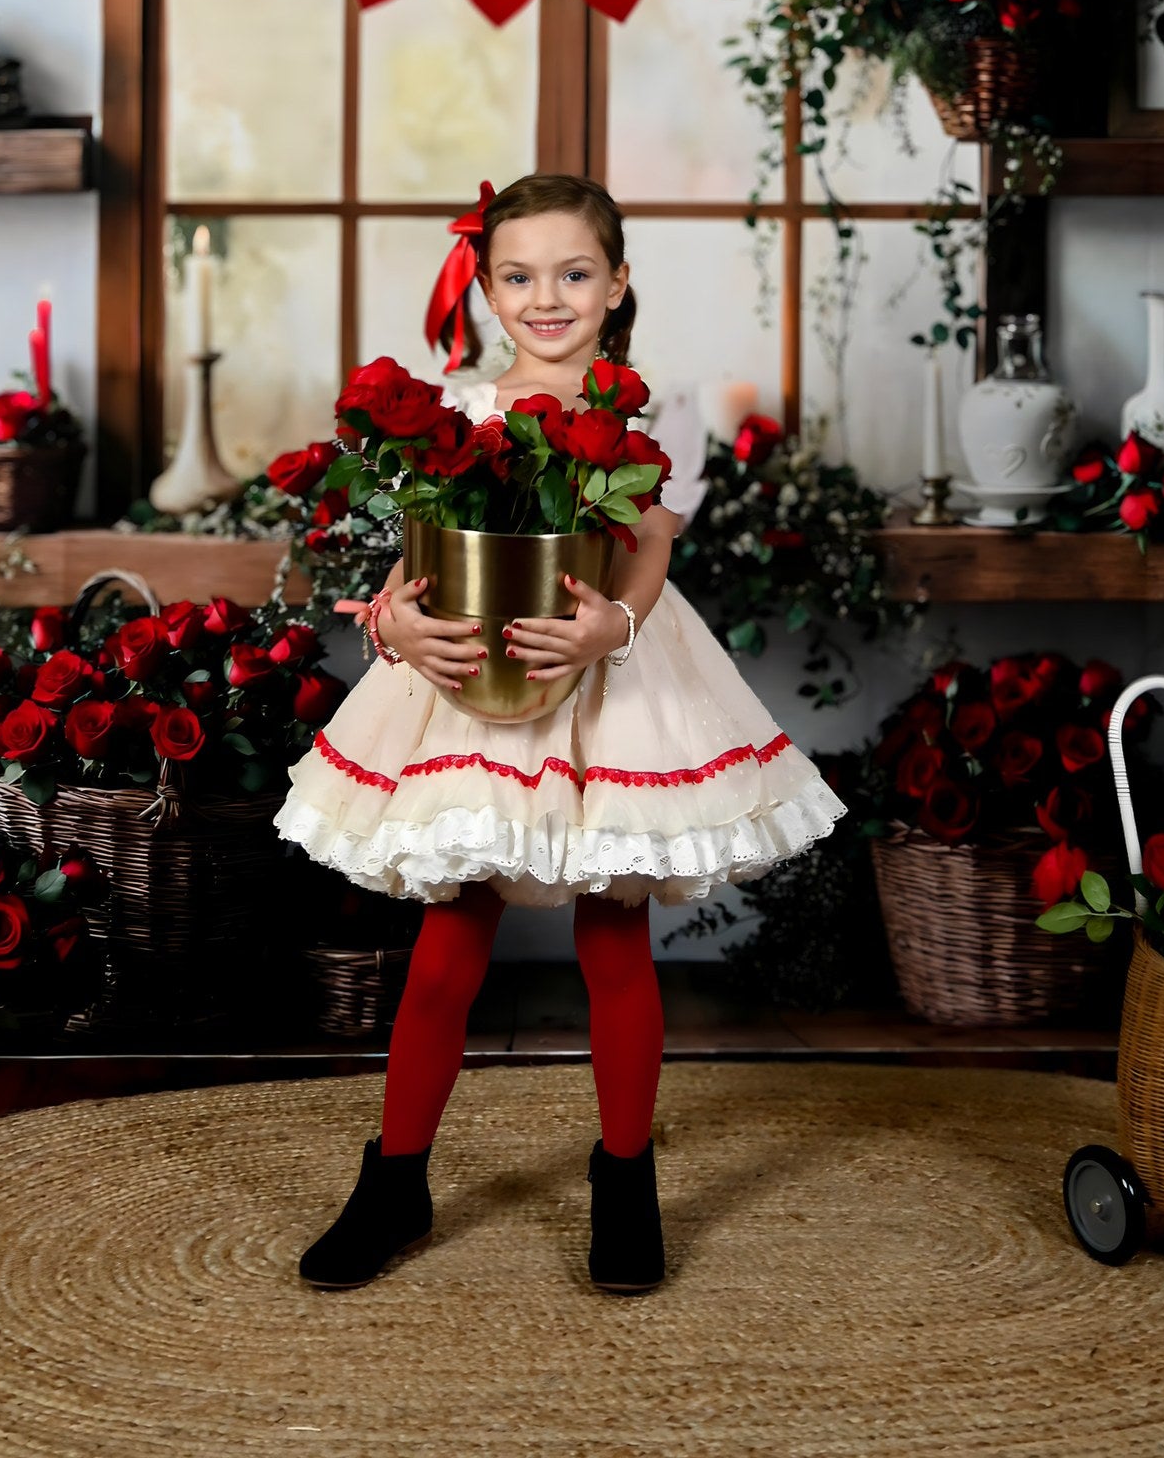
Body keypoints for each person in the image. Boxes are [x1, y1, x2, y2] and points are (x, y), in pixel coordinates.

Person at [274, 172, 844, 1294]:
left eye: (574, 273)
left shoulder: (656, 413)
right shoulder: (461, 411)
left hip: (610, 677)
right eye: (520, 276)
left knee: (613, 941)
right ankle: (396, 1175)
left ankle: (623, 1175)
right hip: (476, 682)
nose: (548, 298)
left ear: (617, 281)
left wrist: (609, 630)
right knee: (447, 949)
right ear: (485, 286)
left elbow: (646, 553)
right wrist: (392, 620)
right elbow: (418, 560)